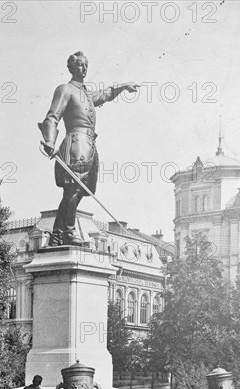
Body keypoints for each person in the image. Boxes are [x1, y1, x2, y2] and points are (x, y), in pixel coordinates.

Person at [39, 51, 140, 246]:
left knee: (80, 192)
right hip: (75, 145)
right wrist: (50, 141)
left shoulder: (85, 94)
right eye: (79, 65)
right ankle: (67, 232)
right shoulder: (65, 89)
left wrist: (123, 86)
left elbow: (105, 94)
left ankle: (58, 235)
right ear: (70, 67)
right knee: (73, 190)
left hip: (89, 146)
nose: (84, 69)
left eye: (86, 65)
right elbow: (52, 116)